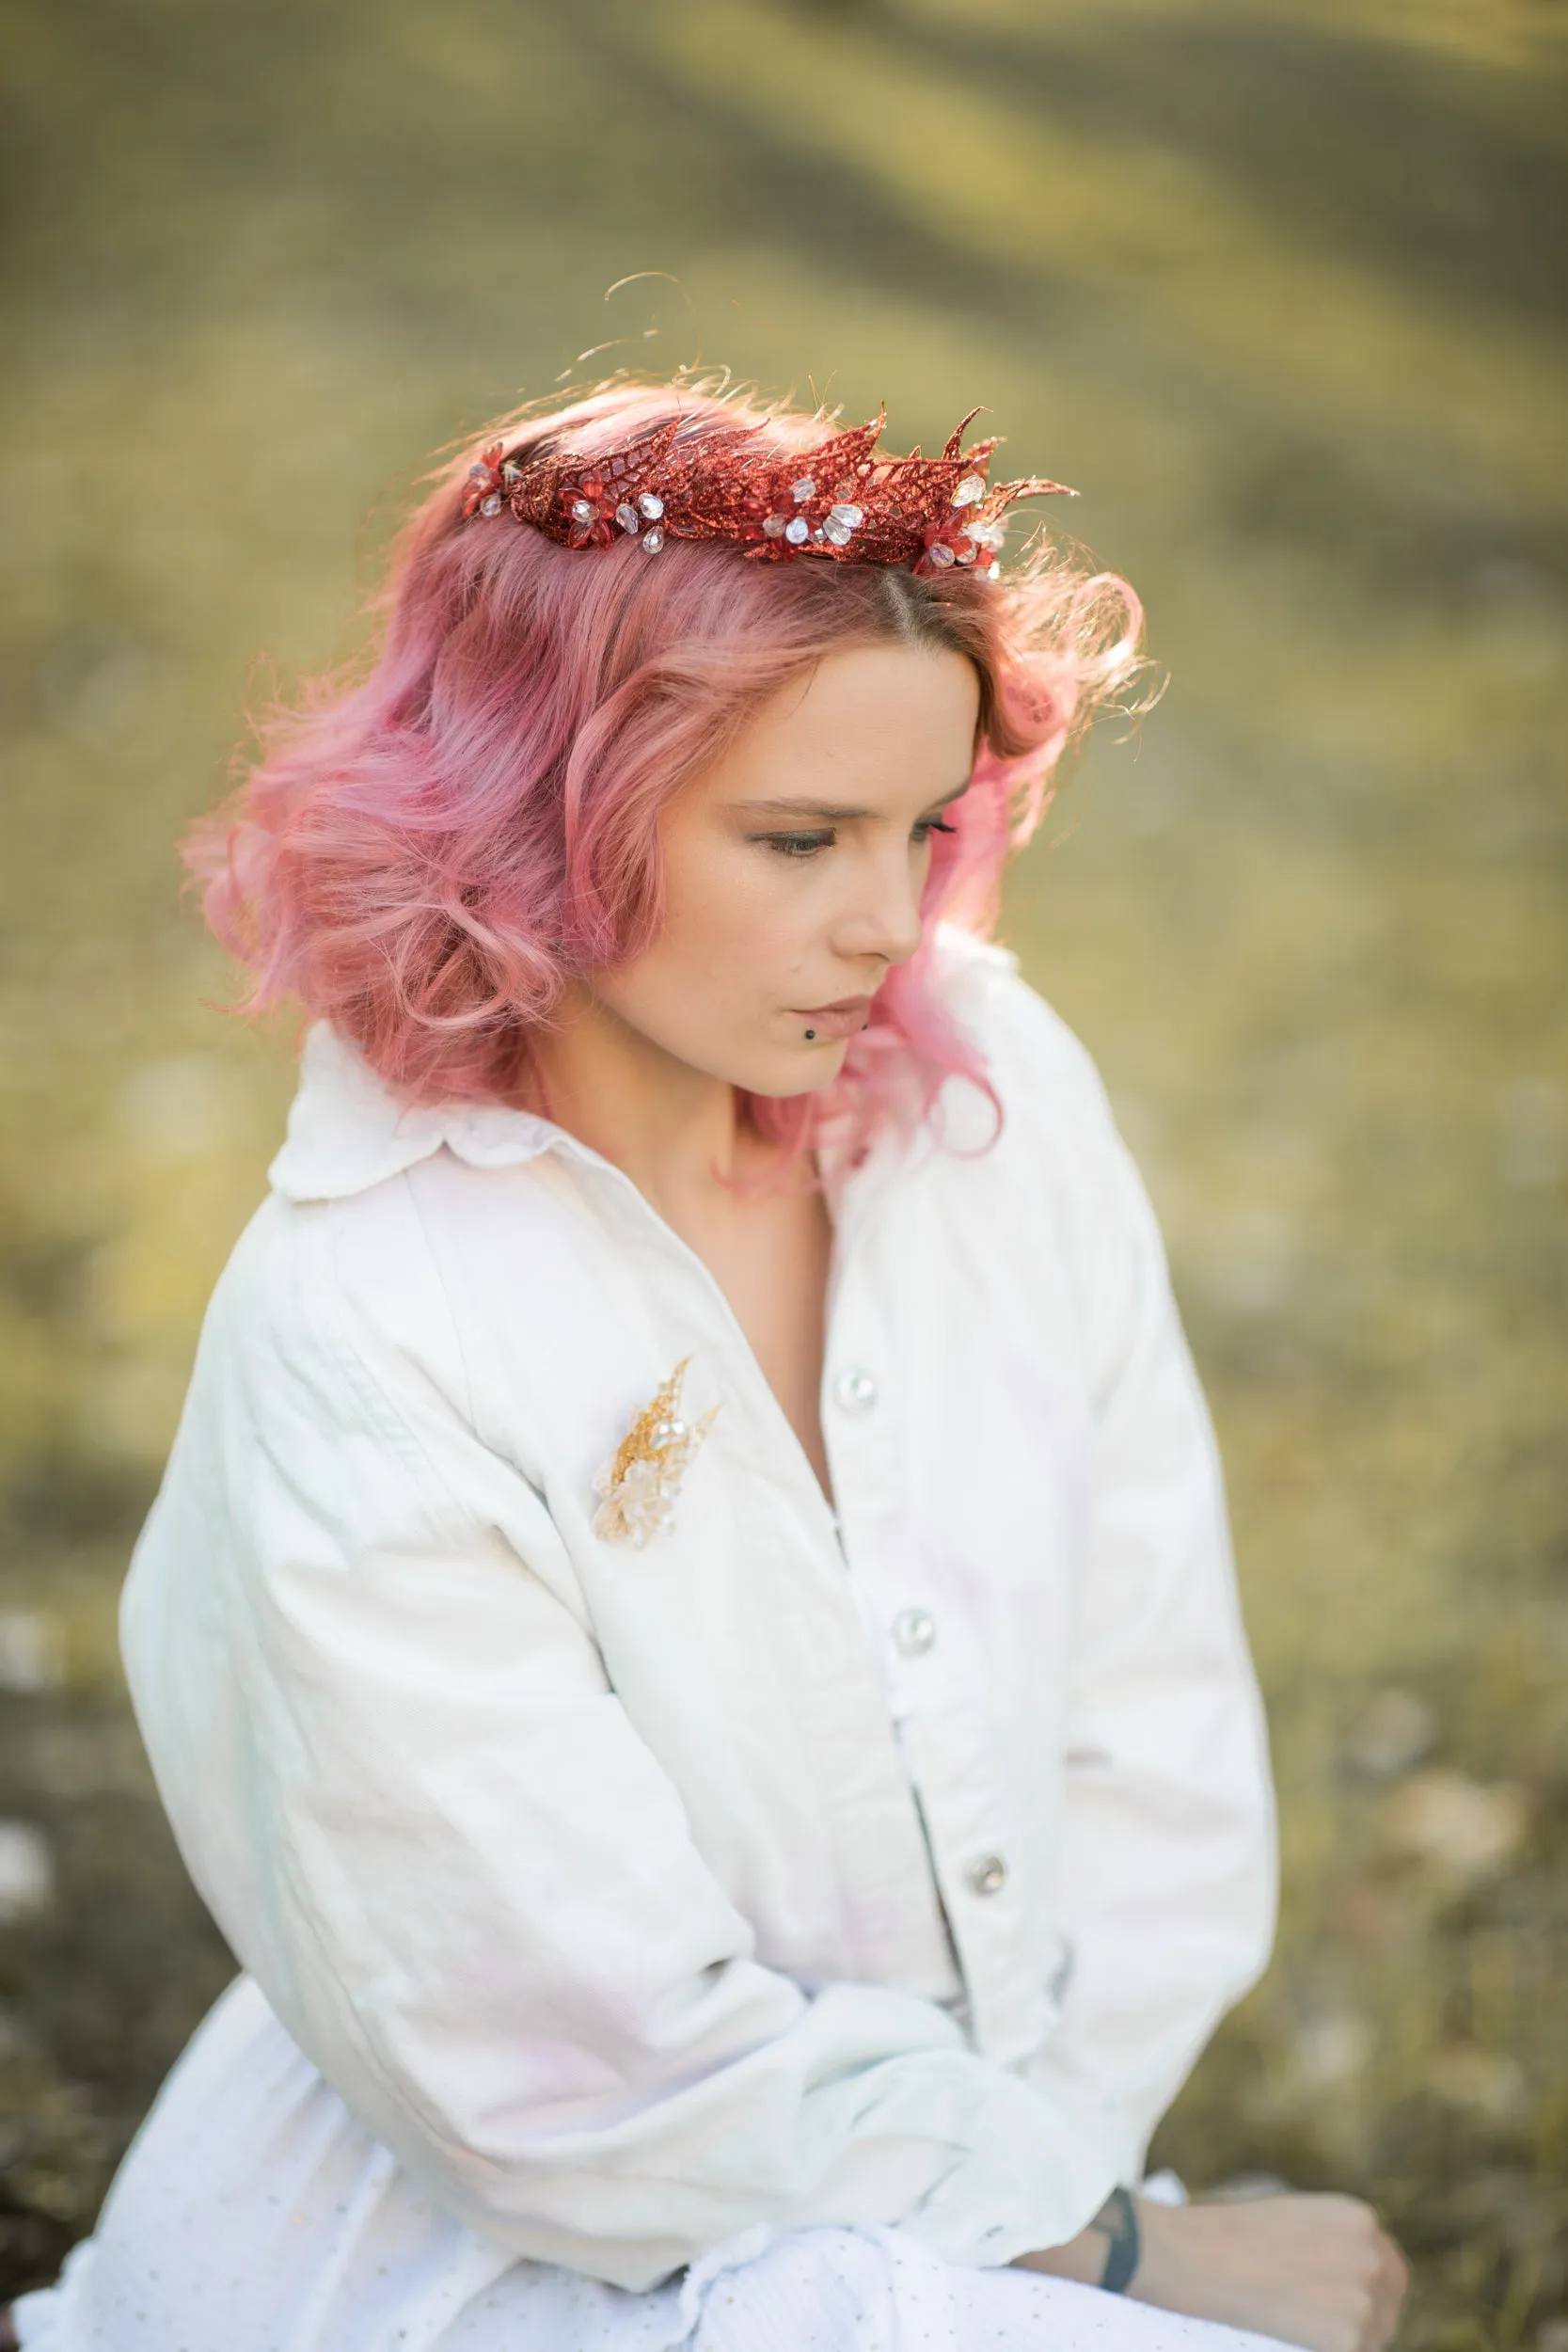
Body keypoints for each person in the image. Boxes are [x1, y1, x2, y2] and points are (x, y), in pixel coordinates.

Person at [8, 380, 1408, 2352]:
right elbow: (564, 2073)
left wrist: (1055, 2178)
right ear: (534, 808)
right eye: (794, 837)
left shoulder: (983, 1106)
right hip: (500, 2226)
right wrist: (1112, 2257)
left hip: (963, 2166)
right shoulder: (371, 1322)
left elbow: (1146, 1702)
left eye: (922, 829)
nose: (883, 919)